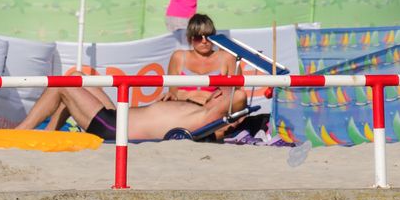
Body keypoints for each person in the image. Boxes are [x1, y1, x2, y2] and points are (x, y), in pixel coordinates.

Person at [16, 83, 243, 141]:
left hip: (114, 129)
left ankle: (22, 132)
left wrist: (190, 95)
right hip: (116, 118)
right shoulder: (199, 109)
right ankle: (48, 132)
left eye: (219, 90)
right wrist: (186, 95)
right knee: (81, 79)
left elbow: (240, 95)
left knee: (63, 84)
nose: (215, 90)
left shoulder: (206, 116)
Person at [163, 15, 245, 111]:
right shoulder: (178, 57)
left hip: (211, 111)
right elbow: (173, 92)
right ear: (190, 38)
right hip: (182, 109)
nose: (204, 41)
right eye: (198, 37)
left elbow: (236, 92)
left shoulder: (227, 57)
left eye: (208, 36)